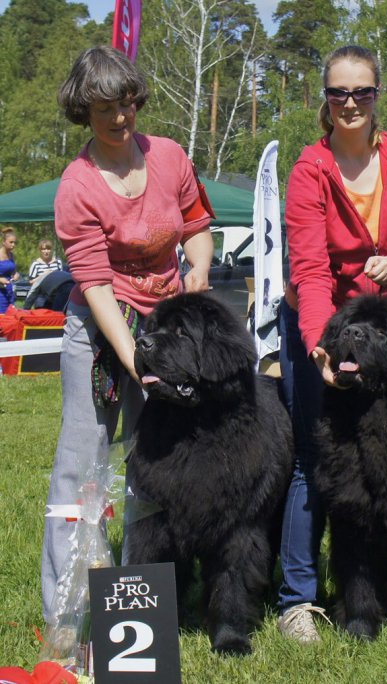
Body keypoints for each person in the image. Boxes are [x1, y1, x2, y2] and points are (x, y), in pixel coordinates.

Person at [41, 46, 213, 625]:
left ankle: (152, 598)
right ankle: (67, 617)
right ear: (83, 112)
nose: (119, 117)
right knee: (80, 463)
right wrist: (135, 359)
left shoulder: (169, 155)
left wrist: (199, 268)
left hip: (164, 326)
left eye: (127, 104)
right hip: (99, 331)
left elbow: (196, 224)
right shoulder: (77, 186)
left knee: (158, 459)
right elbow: (94, 284)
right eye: (104, 109)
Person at [279, 45, 387, 643]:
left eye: (362, 92)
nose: (350, 103)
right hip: (321, 325)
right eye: (338, 92)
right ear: (325, 98)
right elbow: (310, 269)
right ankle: (299, 600)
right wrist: (322, 346)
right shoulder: (308, 170)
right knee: (313, 460)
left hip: (385, 332)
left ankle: (382, 583)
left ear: (377, 95)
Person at [0, 227, 20, 314]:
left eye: (15, 242)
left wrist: (16, 275)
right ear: (3, 242)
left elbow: (14, 271)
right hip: (0, 293)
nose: (13, 245)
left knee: (10, 316)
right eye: (11, 242)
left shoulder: (11, 255)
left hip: (9, 291)